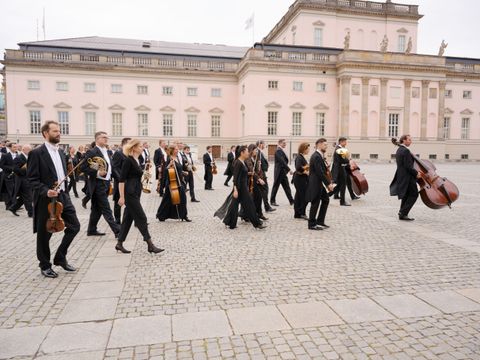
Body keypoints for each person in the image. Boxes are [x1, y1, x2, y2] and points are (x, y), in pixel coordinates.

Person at [27, 121, 80, 278]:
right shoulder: (36, 153)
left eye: (59, 130)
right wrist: (45, 191)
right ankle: (44, 265)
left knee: (75, 226)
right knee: (45, 233)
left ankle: (60, 257)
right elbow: (32, 179)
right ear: (45, 133)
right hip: (46, 199)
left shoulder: (61, 152)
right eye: (55, 131)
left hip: (63, 196)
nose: (59, 133)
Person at [116, 139, 164, 254]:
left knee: (127, 219)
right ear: (134, 148)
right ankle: (150, 245)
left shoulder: (137, 160)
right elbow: (121, 180)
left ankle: (119, 243)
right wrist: (121, 197)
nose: (142, 147)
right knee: (142, 218)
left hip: (136, 191)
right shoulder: (128, 160)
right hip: (130, 192)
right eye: (140, 146)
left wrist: (144, 173)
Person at [215, 145, 266, 230]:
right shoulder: (238, 163)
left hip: (243, 187)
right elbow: (235, 178)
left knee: (234, 206)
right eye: (246, 151)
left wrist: (250, 174)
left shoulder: (243, 161)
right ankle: (257, 224)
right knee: (250, 205)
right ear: (242, 153)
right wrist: (235, 190)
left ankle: (229, 222)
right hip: (240, 188)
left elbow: (243, 173)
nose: (248, 153)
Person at [80, 132, 120, 237]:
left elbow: (111, 168)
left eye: (107, 137)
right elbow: (83, 167)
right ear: (97, 139)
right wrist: (97, 171)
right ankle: (118, 231)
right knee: (106, 208)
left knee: (97, 208)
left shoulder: (108, 152)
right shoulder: (92, 152)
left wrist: (121, 179)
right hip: (98, 183)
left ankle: (91, 230)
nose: (107, 139)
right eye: (104, 137)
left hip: (106, 183)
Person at [156, 145, 191, 222]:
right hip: (172, 182)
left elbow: (178, 169)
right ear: (172, 150)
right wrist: (169, 165)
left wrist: (183, 172)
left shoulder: (177, 158)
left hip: (179, 181)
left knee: (183, 199)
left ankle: (184, 215)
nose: (177, 150)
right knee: (167, 200)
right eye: (176, 149)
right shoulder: (169, 158)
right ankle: (161, 215)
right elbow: (165, 170)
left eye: (177, 149)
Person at [390, 134, 420, 221]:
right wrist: (416, 173)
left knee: (406, 195)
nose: (411, 141)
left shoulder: (399, 149)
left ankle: (402, 214)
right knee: (414, 194)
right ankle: (403, 212)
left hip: (401, 175)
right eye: (409, 140)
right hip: (408, 176)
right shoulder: (406, 151)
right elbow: (408, 166)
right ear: (404, 140)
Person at [306, 138, 334, 231]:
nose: (326, 146)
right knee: (315, 203)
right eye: (325, 145)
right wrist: (328, 184)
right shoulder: (316, 156)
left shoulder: (319, 155)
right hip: (315, 183)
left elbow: (321, 170)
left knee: (325, 200)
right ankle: (312, 224)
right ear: (319, 145)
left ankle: (320, 221)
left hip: (318, 182)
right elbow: (319, 172)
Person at [9, 144, 33, 217]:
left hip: (27, 180)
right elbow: (15, 169)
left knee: (23, 197)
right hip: (22, 180)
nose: (30, 151)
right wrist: (25, 170)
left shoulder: (27, 157)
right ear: (24, 150)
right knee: (28, 197)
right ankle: (31, 213)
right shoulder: (18, 158)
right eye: (29, 150)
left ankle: (13, 208)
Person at [245, 144, 267, 221]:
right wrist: (259, 179)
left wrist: (261, 177)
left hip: (256, 180)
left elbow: (259, 170)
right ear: (251, 150)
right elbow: (251, 170)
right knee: (252, 198)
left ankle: (259, 213)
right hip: (250, 181)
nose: (256, 151)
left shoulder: (256, 158)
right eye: (255, 150)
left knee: (259, 197)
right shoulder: (247, 159)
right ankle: (247, 215)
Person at [112, 137, 131, 225]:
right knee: (118, 202)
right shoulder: (118, 153)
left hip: (129, 182)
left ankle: (136, 220)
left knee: (132, 202)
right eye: (129, 143)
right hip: (120, 182)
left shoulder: (129, 154)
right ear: (124, 144)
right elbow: (115, 168)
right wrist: (121, 179)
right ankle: (117, 220)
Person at [270, 139, 294, 206]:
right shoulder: (278, 151)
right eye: (284, 143)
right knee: (276, 187)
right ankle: (272, 201)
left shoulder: (281, 150)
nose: (285, 144)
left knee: (287, 187)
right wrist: (289, 170)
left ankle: (291, 200)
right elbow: (282, 162)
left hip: (282, 172)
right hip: (279, 172)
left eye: (285, 143)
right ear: (279, 143)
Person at [256, 140, 275, 213]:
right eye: (263, 144)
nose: (264, 146)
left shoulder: (260, 152)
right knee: (264, 190)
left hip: (263, 173)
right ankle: (266, 207)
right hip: (260, 174)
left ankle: (267, 206)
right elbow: (258, 164)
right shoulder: (258, 152)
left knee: (264, 190)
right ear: (260, 144)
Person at [293, 142, 310, 219]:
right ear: (303, 149)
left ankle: (297, 213)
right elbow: (298, 167)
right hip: (300, 179)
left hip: (300, 179)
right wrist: (305, 172)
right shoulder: (299, 157)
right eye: (307, 148)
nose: (308, 150)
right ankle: (302, 213)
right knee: (304, 196)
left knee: (298, 197)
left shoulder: (301, 157)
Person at [331, 137, 350, 206]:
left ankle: (328, 195)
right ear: (341, 142)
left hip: (338, 169)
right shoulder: (340, 149)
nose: (346, 143)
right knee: (343, 185)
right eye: (345, 142)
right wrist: (348, 159)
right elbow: (344, 160)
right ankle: (342, 202)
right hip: (341, 169)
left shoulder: (338, 148)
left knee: (339, 185)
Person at [0, 142, 17, 210]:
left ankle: (12, 205)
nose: (15, 148)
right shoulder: (5, 155)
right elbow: (1, 165)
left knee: (13, 190)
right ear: (10, 148)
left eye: (16, 147)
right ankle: (10, 205)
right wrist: (11, 168)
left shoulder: (18, 155)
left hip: (16, 176)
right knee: (9, 191)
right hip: (7, 176)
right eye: (14, 147)